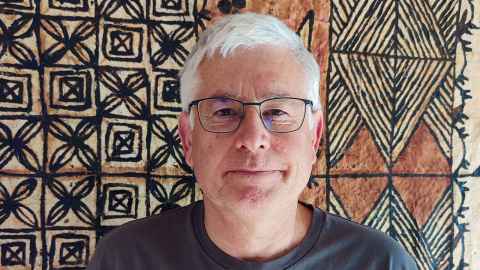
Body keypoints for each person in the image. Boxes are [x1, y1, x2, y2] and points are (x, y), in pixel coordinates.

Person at [87, 12, 418, 270]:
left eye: (277, 112)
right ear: (188, 140)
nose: (253, 139)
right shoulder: (124, 259)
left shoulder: (380, 262)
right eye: (225, 112)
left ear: (314, 137)